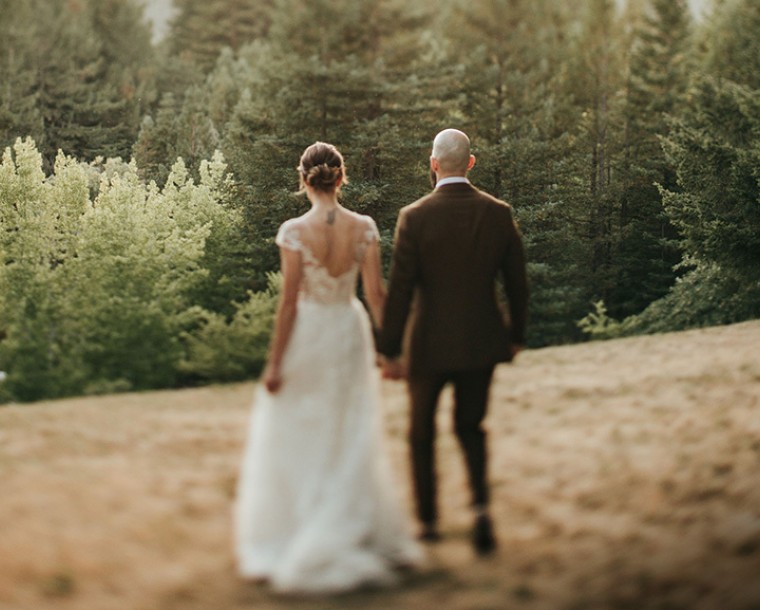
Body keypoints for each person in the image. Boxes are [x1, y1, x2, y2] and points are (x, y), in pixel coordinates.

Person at [234, 142, 421, 594]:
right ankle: (347, 522)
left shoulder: (294, 231)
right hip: (348, 332)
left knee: (296, 426)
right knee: (350, 426)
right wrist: (392, 352)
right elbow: (377, 296)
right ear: (341, 177)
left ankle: (296, 528)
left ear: (304, 178)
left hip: (311, 334)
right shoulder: (366, 227)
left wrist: (275, 364)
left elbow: (289, 305)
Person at [377, 128, 529, 555]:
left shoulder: (414, 216)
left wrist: (388, 347)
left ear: (433, 163)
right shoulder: (497, 213)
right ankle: (481, 510)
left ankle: (428, 521)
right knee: (471, 427)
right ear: (471, 162)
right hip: (482, 340)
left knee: (421, 432)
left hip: (427, 345)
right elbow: (517, 283)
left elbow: (402, 288)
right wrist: (515, 335)